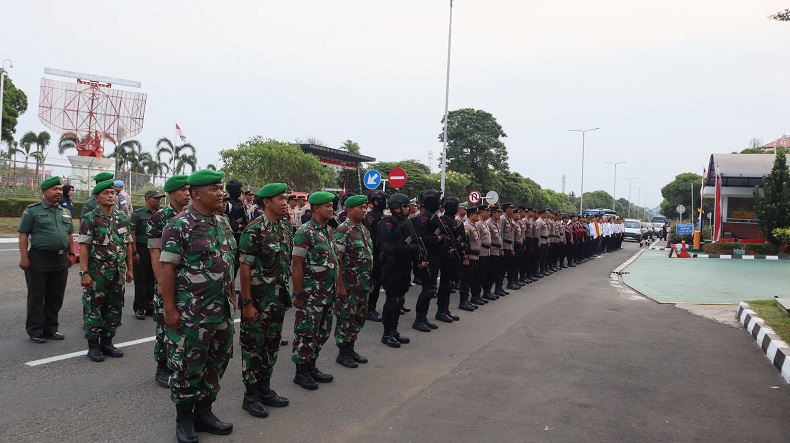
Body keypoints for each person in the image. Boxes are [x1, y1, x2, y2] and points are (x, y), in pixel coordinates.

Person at [160, 169, 237, 442]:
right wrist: (169, 309)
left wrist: (232, 294)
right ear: (195, 194)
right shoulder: (179, 225)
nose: (221, 193)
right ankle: (184, 419)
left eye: (221, 188)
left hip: (222, 311)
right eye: (215, 189)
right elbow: (167, 270)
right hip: (192, 313)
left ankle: (204, 412)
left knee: (217, 362)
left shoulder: (223, 223)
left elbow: (228, 262)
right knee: (188, 367)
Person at [238, 183, 293, 418]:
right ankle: (250, 396)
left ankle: (265, 389)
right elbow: (244, 268)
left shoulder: (285, 227)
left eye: (286, 198)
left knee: (271, 345)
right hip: (258, 301)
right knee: (253, 348)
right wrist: (247, 303)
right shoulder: (254, 230)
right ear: (267, 202)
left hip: (278, 299)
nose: (285, 202)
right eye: (280, 198)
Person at [78, 179, 134, 362]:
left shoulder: (122, 218)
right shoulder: (90, 218)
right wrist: (84, 272)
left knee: (114, 307)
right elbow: (84, 247)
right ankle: (93, 346)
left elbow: (127, 245)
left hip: (118, 272)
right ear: (97, 197)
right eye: (106, 193)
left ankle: (107, 342)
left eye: (113, 193)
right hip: (97, 272)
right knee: (94, 307)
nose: (111, 196)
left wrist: (130, 270)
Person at [19, 176, 76, 343]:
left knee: (56, 295)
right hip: (39, 258)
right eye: (55, 189)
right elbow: (23, 234)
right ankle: (35, 330)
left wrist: (71, 254)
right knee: (37, 295)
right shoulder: (33, 211)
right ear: (44, 192)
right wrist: (24, 257)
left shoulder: (65, 212)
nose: (59, 192)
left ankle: (51, 328)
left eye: (60, 189)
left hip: (60, 259)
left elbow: (69, 234)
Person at [291, 191, 339, 391]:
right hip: (311, 294)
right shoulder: (305, 231)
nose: (332, 209)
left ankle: (312, 365)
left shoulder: (326, 230)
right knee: (307, 332)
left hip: (326, 293)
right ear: (316, 208)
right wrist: (299, 294)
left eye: (332, 206)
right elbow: (297, 266)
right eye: (328, 206)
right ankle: (301, 371)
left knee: (323, 331)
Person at [147, 175, 190, 389]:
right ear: (171, 194)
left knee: (183, 325)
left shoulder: (193, 216)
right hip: (167, 277)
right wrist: (161, 280)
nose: (187, 193)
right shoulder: (159, 217)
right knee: (165, 325)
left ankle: (179, 365)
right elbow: (155, 250)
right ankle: (162, 367)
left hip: (187, 281)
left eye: (188, 189)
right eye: (182, 190)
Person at [333, 194, 373, 368]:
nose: (364, 210)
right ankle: (343, 352)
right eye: (360, 208)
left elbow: (367, 256)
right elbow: (338, 260)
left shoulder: (363, 229)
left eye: (365, 207)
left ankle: (351, 348)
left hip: (362, 283)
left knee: (358, 318)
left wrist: (370, 281)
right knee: (346, 318)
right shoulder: (343, 230)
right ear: (349, 210)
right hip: (349, 284)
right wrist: (340, 286)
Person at [379, 193, 420, 344]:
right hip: (392, 266)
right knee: (392, 300)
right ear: (395, 207)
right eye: (404, 206)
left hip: (404, 266)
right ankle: (386, 334)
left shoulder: (406, 221)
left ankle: (394, 331)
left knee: (400, 299)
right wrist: (409, 249)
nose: (408, 208)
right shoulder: (388, 223)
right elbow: (385, 245)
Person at [412, 190, 445, 331]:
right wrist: (438, 238)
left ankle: (423, 317)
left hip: (435, 257)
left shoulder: (432, 217)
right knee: (428, 290)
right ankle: (418, 319)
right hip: (426, 257)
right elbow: (420, 239)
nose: (439, 202)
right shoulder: (423, 218)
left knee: (431, 289)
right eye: (437, 199)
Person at [130, 190, 164, 320]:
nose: (158, 201)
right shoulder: (138, 214)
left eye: (159, 198)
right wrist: (134, 251)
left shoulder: (161, 214)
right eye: (155, 198)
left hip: (156, 249)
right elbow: (132, 233)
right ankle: (139, 307)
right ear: (147, 199)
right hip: (142, 248)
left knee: (152, 278)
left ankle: (150, 305)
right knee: (140, 279)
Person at [363, 190, 387, 322]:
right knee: (373, 282)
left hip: (380, 254)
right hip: (373, 253)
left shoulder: (382, 216)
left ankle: (372, 307)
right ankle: (369, 310)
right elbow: (370, 236)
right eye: (382, 200)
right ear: (376, 202)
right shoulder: (370, 217)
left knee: (378, 282)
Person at [459, 206, 483, 310]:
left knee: (471, 279)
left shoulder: (474, 226)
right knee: (465, 280)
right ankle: (463, 302)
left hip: (475, 256)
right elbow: (463, 243)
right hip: (470, 257)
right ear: (471, 215)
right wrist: (465, 258)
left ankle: (467, 300)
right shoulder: (466, 226)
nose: (478, 216)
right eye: (476, 214)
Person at [224, 179, 247, 280]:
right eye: (238, 189)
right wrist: (236, 225)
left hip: (239, 235)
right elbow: (226, 221)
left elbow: (245, 221)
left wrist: (240, 226)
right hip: (230, 236)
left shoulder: (240, 204)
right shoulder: (227, 204)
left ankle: (231, 283)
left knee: (237, 262)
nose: (240, 191)